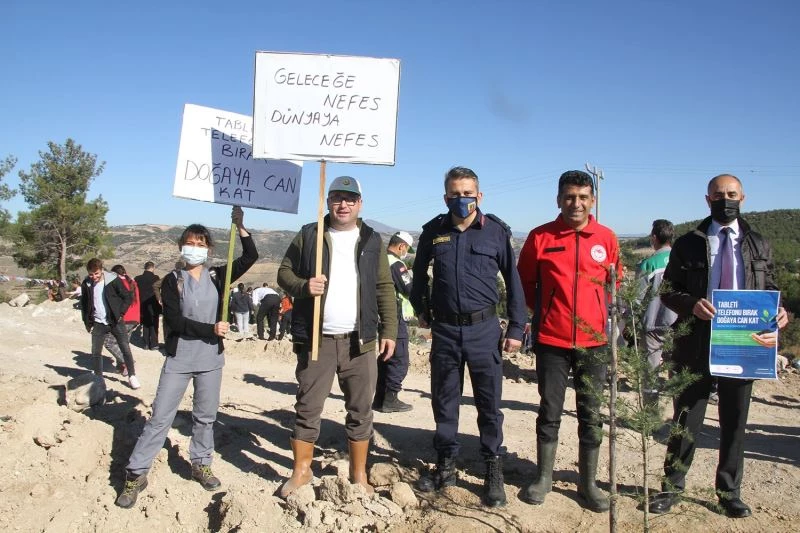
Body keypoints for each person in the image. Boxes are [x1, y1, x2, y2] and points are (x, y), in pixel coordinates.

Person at [648, 174, 790, 519]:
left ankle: (729, 493)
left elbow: (769, 288)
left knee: (734, 421)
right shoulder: (689, 244)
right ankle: (671, 487)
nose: (725, 199)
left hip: (744, 346)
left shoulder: (758, 243)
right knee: (686, 419)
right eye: (718, 195)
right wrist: (692, 303)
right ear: (707, 199)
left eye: (731, 194)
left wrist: (780, 312)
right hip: (696, 342)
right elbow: (668, 291)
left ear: (743, 197)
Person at [115, 206, 257, 509]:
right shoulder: (172, 280)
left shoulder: (219, 276)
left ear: (209, 249)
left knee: (205, 418)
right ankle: (136, 473)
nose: (195, 248)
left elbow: (250, 257)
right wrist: (212, 328)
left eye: (201, 243)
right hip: (179, 359)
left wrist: (241, 227)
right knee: (160, 418)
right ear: (182, 246)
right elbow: (176, 323)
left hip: (211, 361)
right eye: (190, 243)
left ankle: (201, 463)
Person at [410, 166, 526, 508]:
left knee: (489, 404)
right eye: (455, 194)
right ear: (446, 197)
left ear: (480, 195)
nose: (463, 199)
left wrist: (517, 327)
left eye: (468, 193)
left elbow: (513, 281)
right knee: (444, 400)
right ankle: (446, 464)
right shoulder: (433, 232)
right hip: (445, 331)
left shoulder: (495, 233)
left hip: (484, 331)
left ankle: (493, 468)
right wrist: (423, 310)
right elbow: (418, 277)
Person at [277, 175, 397, 498]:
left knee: (361, 409)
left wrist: (390, 330)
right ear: (327, 201)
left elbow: (384, 287)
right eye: (336, 198)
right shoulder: (310, 235)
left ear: (360, 203)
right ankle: (301, 471)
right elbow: (283, 273)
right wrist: (304, 286)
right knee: (308, 406)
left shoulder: (372, 239)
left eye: (350, 198)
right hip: (318, 340)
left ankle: (359, 473)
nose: (343, 204)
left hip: (360, 340)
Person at [516, 169, 622, 512]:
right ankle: (543, 477)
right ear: (558, 199)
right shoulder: (540, 237)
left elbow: (614, 286)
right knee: (549, 410)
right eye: (569, 197)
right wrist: (543, 313)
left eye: (583, 197)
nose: (576, 203)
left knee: (591, 412)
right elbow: (524, 284)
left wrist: (596, 316)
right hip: (552, 340)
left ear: (593, 200)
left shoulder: (606, 238)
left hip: (594, 343)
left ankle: (588, 483)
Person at [634, 219, 678, 402]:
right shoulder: (680, 261)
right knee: (677, 372)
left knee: (650, 372)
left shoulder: (649, 263)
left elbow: (636, 298)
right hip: (678, 324)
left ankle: (650, 418)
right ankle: (681, 417)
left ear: (654, 237)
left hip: (653, 325)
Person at [80, 258, 140, 390]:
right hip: (98, 322)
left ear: (101, 270)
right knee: (96, 351)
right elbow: (84, 304)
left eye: (96, 273)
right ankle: (98, 378)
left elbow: (128, 296)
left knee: (125, 349)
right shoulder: (87, 284)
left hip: (116, 321)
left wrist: (120, 313)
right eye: (91, 274)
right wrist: (87, 321)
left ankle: (132, 376)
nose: (94, 277)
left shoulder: (112, 281)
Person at [373, 231, 416, 413]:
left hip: (379, 314)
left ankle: (380, 398)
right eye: (406, 249)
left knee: (385, 355)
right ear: (401, 246)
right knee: (399, 358)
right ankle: (390, 398)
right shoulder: (396, 264)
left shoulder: (378, 260)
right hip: (394, 316)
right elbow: (409, 289)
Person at [135, 261, 162, 350]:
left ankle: (146, 343)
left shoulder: (137, 278)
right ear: (153, 267)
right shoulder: (156, 277)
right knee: (154, 323)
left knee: (145, 323)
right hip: (153, 303)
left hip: (142, 303)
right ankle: (154, 344)